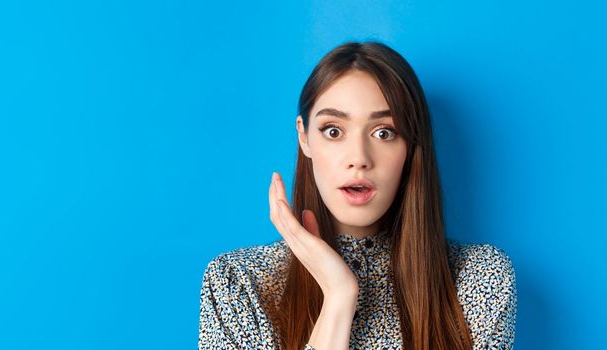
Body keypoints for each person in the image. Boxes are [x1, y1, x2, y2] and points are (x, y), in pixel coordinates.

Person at [197, 41, 517, 350]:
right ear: (304, 137)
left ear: (410, 146)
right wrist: (338, 297)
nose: (359, 157)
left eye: (384, 132)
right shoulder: (239, 283)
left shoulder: (478, 279)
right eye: (333, 131)